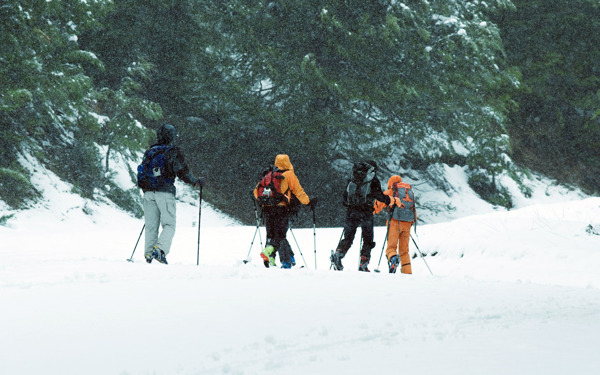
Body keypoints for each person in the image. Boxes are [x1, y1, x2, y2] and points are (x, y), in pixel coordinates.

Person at [138, 124, 204, 265]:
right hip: (165, 192)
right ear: (172, 136)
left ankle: (149, 254)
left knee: (151, 226)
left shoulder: (150, 151)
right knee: (169, 225)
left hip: (149, 193)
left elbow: (142, 173)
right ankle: (160, 250)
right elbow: (182, 171)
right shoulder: (172, 151)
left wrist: (147, 187)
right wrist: (195, 182)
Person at [253, 154, 314, 269]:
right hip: (281, 209)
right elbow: (298, 191)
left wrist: (265, 201)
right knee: (280, 235)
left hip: (267, 208)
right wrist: (307, 202)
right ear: (288, 162)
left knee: (271, 234)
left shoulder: (270, 175)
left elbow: (256, 191)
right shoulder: (289, 175)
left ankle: (273, 258)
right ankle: (269, 251)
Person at [330, 160, 391, 272]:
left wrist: (350, 205)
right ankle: (364, 262)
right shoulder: (373, 179)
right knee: (367, 240)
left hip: (351, 211)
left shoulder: (353, 177)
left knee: (348, 238)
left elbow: (345, 197)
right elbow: (379, 195)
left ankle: (339, 253)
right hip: (366, 212)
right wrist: (389, 201)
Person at [374, 175, 416, 274]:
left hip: (394, 223)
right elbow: (413, 209)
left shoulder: (391, 192)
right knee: (404, 251)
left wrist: (370, 212)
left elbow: (377, 205)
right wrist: (410, 223)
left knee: (391, 248)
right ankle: (407, 273)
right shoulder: (408, 192)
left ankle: (393, 258)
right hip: (407, 224)